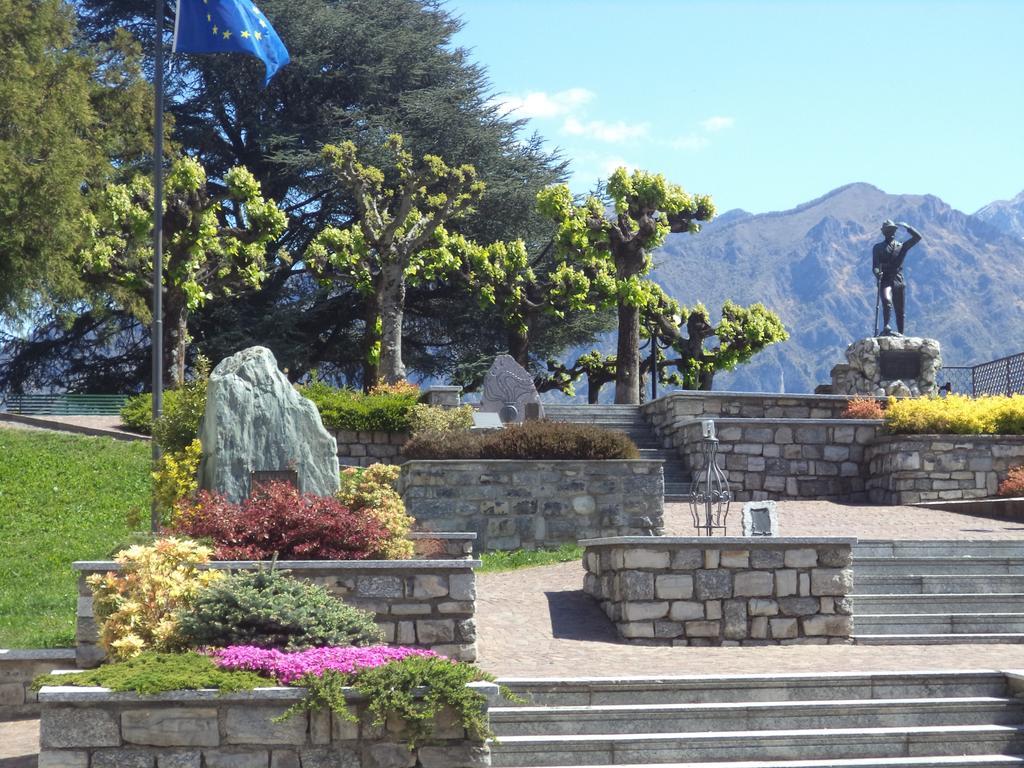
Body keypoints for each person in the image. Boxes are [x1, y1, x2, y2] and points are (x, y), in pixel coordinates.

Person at [872, 219, 922, 336]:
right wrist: (877, 273)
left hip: (898, 279)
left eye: (893, 230)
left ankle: (901, 332)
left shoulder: (901, 246)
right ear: (884, 232)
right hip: (885, 279)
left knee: (900, 309)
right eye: (888, 230)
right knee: (886, 301)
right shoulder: (877, 248)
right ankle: (886, 327)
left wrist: (908, 227)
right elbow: (875, 266)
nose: (891, 232)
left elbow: (917, 238)